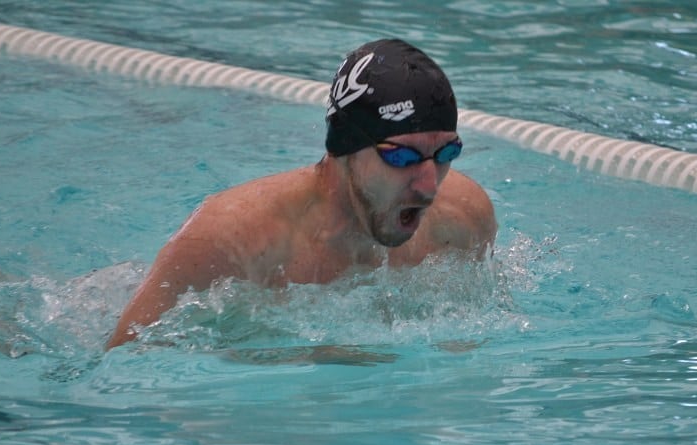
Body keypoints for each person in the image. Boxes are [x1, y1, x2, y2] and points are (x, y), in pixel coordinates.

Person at [107, 38, 496, 349]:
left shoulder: (464, 219)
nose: (429, 185)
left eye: (447, 153)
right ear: (345, 146)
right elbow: (125, 369)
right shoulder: (229, 241)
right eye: (402, 156)